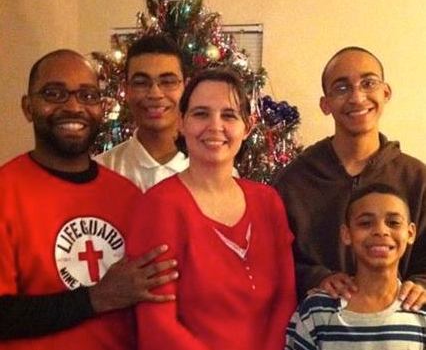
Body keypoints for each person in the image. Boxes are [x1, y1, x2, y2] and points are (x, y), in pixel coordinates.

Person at [0, 49, 177, 348]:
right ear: (28, 107)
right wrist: (94, 298)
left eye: (88, 95)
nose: (73, 106)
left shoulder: (129, 196)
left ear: (102, 107)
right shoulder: (6, 190)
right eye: (54, 93)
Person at [127, 68, 297, 350]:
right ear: (181, 122)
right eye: (201, 114)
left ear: (248, 126)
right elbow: (156, 325)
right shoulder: (159, 206)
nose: (215, 126)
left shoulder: (268, 202)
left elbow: (285, 298)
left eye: (228, 115)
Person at [273, 46, 426, 309]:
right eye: (342, 88)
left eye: (368, 83)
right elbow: (272, 261)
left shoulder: (416, 177)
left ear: (385, 92)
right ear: (325, 104)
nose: (357, 97)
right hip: (319, 329)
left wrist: (422, 284)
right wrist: (317, 278)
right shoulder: (293, 181)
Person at [286, 183, 426, 349]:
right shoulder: (316, 310)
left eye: (393, 223)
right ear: (346, 234)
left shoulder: (420, 309)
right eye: (365, 223)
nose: (381, 231)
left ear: (410, 233)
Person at [95, 35, 188, 192]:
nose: (155, 94)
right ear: (126, 89)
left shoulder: (211, 172)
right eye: (141, 83)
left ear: (185, 87)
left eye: (167, 82)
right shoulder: (102, 171)